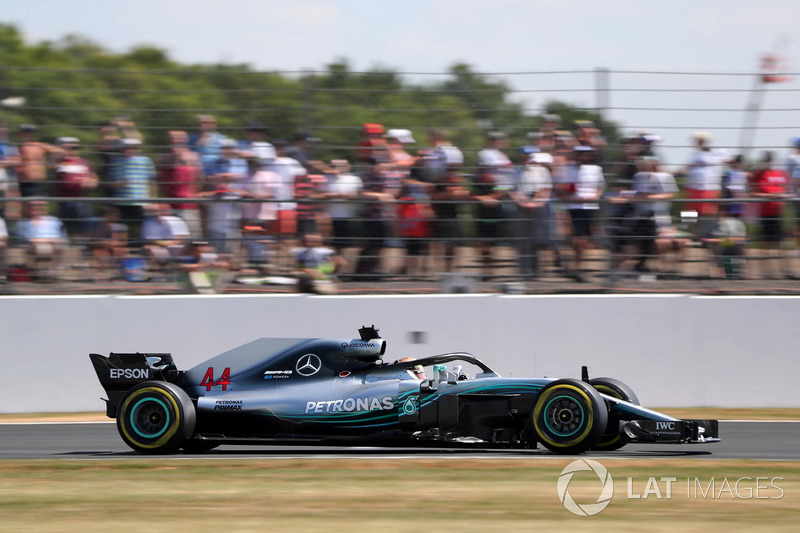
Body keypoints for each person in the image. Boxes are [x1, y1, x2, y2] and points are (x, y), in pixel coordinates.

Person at [474, 131, 515, 279]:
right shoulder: (485, 156)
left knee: (494, 237)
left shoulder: (503, 158)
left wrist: (494, 196)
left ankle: (490, 269)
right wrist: (483, 198)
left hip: (497, 202)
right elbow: (475, 186)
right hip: (484, 203)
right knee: (484, 238)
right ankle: (487, 269)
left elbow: (506, 183)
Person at [563, 145, 605, 281]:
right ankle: (575, 266)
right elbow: (562, 189)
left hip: (590, 207)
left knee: (585, 239)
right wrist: (571, 198)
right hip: (573, 207)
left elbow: (599, 187)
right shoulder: (567, 169)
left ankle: (578, 266)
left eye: (586, 153)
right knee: (577, 238)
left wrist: (596, 196)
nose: (583, 156)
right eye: (580, 153)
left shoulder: (596, 169)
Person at [512, 151, 553, 279]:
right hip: (521, 205)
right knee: (522, 240)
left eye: (528, 156)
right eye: (523, 155)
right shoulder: (515, 171)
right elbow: (509, 189)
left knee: (536, 238)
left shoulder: (541, 171)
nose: (526, 158)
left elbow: (545, 189)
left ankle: (535, 270)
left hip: (537, 205)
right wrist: (522, 201)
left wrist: (535, 202)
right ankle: (523, 270)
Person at [749, 151, 790, 278]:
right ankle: (765, 271)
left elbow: (788, 191)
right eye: (766, 160)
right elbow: (753, 193)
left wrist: (782, 196)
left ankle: (783, 270)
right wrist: (769, 196)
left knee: (780, 242)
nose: (768, 162)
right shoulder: (758, 174)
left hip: (778, 213)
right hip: (765, 213)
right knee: (765, 243)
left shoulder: (780, 174)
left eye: (769, 160)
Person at [157, 130, 203, 239]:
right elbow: (159, 182)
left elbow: (200, 180)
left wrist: (194, 195)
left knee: (193, 238)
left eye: (178, 139)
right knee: (171, 238)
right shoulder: (164, 158)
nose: (175, 141)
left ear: (185, 140)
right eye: (172, 139)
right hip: (168, 206)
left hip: (188, 205)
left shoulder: (193, 157)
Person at [110, 137, 156, 241]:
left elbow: (152, 181)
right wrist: (120, 183)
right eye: (126, 148)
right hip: (121, 202)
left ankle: (141, 246)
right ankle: (123, 247)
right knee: (121, 228)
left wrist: (152, 200)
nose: (130, 150)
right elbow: (110, 183)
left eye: (133, 147)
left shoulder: (146, 161)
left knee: (142, 227)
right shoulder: (115, 162)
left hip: (141, 201)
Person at [53, 137, 98, 239]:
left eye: (74, 147)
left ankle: (84, 244)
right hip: (65, 199)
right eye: (70, 147)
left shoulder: (84, 162)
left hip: (81, 197)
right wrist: (60, 150)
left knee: (86, 222)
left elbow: (94, 177)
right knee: (65, 224)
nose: (72, 150)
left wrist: (89, 183)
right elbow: (51, 164)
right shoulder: (60, 161)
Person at [683, 131, 726, 238]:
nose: (698, 143)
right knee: (690, 213)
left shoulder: (717, 153)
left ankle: (706, 236)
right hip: (693, 188)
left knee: (707, 212)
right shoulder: (695, 155)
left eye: (701, 141)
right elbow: (687, 168)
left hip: (709, 188)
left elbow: (729, 161)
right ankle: (692, 235)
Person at [16, 200, 67, 278]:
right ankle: (40, 271)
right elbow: (29, 239)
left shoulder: (53, 220)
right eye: (32, 206)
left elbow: (61, 236)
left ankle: (54, 270)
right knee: (41, 247)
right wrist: (47, 240)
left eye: (38, 205)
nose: (35, 208)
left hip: (52, 245)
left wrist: (46, 240)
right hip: (34, 246)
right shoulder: (23, 223)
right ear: (27, 208)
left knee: (59, 244)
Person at [324, 159, 363, 254]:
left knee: (346, 245)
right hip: (329, 216)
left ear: (348, 167)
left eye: (341, 165)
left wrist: (335, 195)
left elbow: (358, 195)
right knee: (330, 244)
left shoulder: (355, 179)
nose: (337, 168)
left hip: (349, 216)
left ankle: (342, 265)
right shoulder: (326, 178)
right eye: (335, 166)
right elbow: (320, 195)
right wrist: (339, 195)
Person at [141, 204, 190, 274]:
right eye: (159, 210)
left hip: (177, 248)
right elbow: (150, 241)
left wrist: (168, 243)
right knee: (155, 251)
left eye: (165, 209)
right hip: (159, 247)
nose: (162, 212)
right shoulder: (149, 222)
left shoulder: (177, 220)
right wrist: (163, 243)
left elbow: (183, 238)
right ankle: (161, 272)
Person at [15, 125, 63, 197]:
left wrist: (51, 162)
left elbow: (60, 151)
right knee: (24, 204)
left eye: (30, 132)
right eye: (25, 132)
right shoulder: (16, 147)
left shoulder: (40, 146)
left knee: (38, 203)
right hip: (21, 182)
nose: (27, 134)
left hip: (37, 182)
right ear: (20, 134)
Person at [0, 120, 20, 220]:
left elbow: (17, 161)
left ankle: (9, 215)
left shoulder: (10, 144)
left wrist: (4, 162)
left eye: (3, 127)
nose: (2, 129)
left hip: (9, 177)